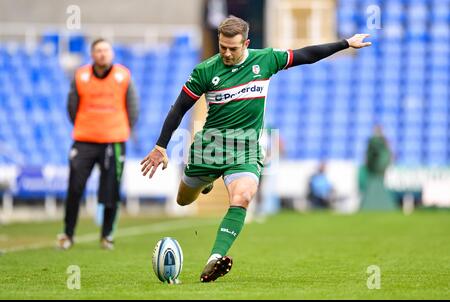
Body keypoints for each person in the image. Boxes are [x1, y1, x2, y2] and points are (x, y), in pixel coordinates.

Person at [140, 16, 371, 282]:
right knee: (183, 200)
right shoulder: (204, 71)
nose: (226, 53)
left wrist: (345, 43)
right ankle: (207, 182)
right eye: (222, 46)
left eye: (233, 48)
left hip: (246, 149)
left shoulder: (266, 60)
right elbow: (179, 108)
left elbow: (306, 55)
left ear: (246, 44)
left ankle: (214, 258)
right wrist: (160, 145)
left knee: (243, 197)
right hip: (210, 149)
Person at [57, 38, 139, 250]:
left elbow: (133, 107)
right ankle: (68, 234)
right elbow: (71, 106)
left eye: (106, 50)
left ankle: (106, 236)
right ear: (92, 55)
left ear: (111, 54)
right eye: (98, 50)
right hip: (84, 140)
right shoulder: (81, 75)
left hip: (114, 140)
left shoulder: (123, 75)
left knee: (111, 190)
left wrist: (121, 129)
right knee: (75, 188)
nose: (102, 54)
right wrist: (86, 126)